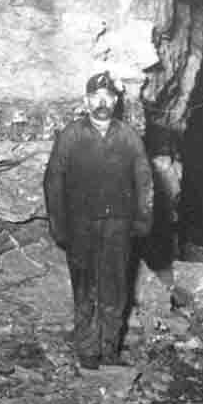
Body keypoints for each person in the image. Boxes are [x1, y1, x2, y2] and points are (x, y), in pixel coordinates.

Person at [43, 72, 153, 369]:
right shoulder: (71, 136)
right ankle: (88, 351)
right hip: (81, 225)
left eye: (107, 97)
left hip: (118, 224)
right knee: (84, 288)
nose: (101, 102)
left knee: (114, 289)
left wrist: (143, 218)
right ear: (86, 101)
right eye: (95, 97)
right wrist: (58, 224)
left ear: (116, 102)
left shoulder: (128, 137)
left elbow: (144, 180)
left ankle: (110, 350)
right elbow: (53, 181)